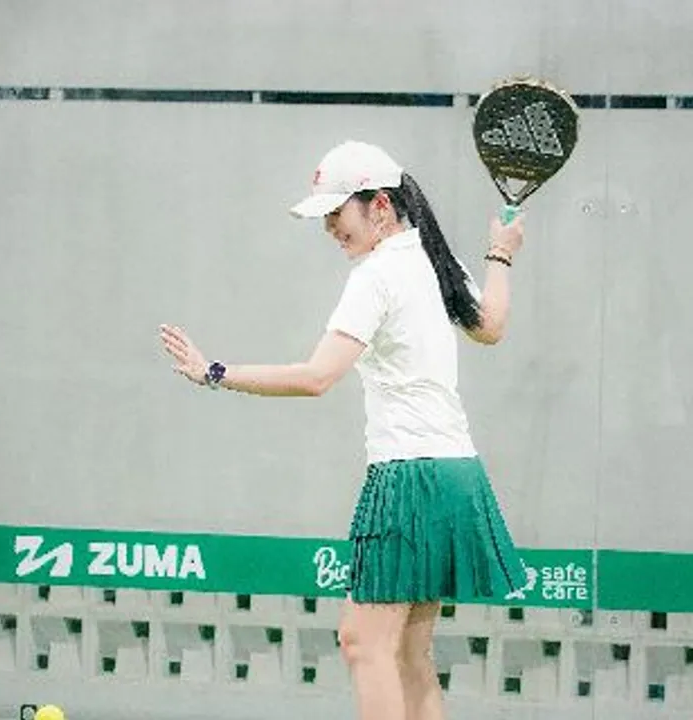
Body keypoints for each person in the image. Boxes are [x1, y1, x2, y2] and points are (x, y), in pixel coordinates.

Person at [159, 140, 526, 720]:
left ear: (379, 206)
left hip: (409, 480)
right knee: (408, 654)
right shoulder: (434, 259)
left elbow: (316, 377)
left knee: (364, 643)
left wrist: (215, 373)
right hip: (456, 475)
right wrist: (501, 252)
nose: (330, 227)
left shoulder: (376, 275)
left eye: (336, 213)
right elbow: (492, 325)